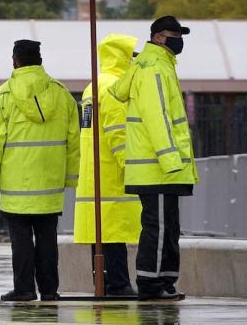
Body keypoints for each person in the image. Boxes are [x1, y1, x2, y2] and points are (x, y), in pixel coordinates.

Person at [0, 39, 80, 302]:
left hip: (16, 186)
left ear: (15, 61)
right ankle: (49, 290)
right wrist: (71, 178)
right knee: (47, 239)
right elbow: (73, 140)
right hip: (50, 184)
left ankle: (24, 289)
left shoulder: (4, 95)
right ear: (40, 61)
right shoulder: (61, 94)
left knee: (21, 240)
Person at [110, 16, 198, 301]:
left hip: (157, 169)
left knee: (167, 227)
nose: (179, 40)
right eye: (174, 34)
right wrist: (171, 160)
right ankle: (151, 283)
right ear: (159, 37)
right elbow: (157, 119)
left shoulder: (158, 66)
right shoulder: (154, 69)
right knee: (159, 228)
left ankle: (165, 280)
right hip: (157, 169)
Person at [73, 34, 141, 297]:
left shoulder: (93, 86)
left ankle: (101, 283)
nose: (134, 59)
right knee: (113, 233)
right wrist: (130, 167)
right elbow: (118, 131)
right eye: (131, 54)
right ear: (122, 56)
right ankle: (118, 284)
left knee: (100, 233)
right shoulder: (115, 86)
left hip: (93, 171)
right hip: (111, 172)